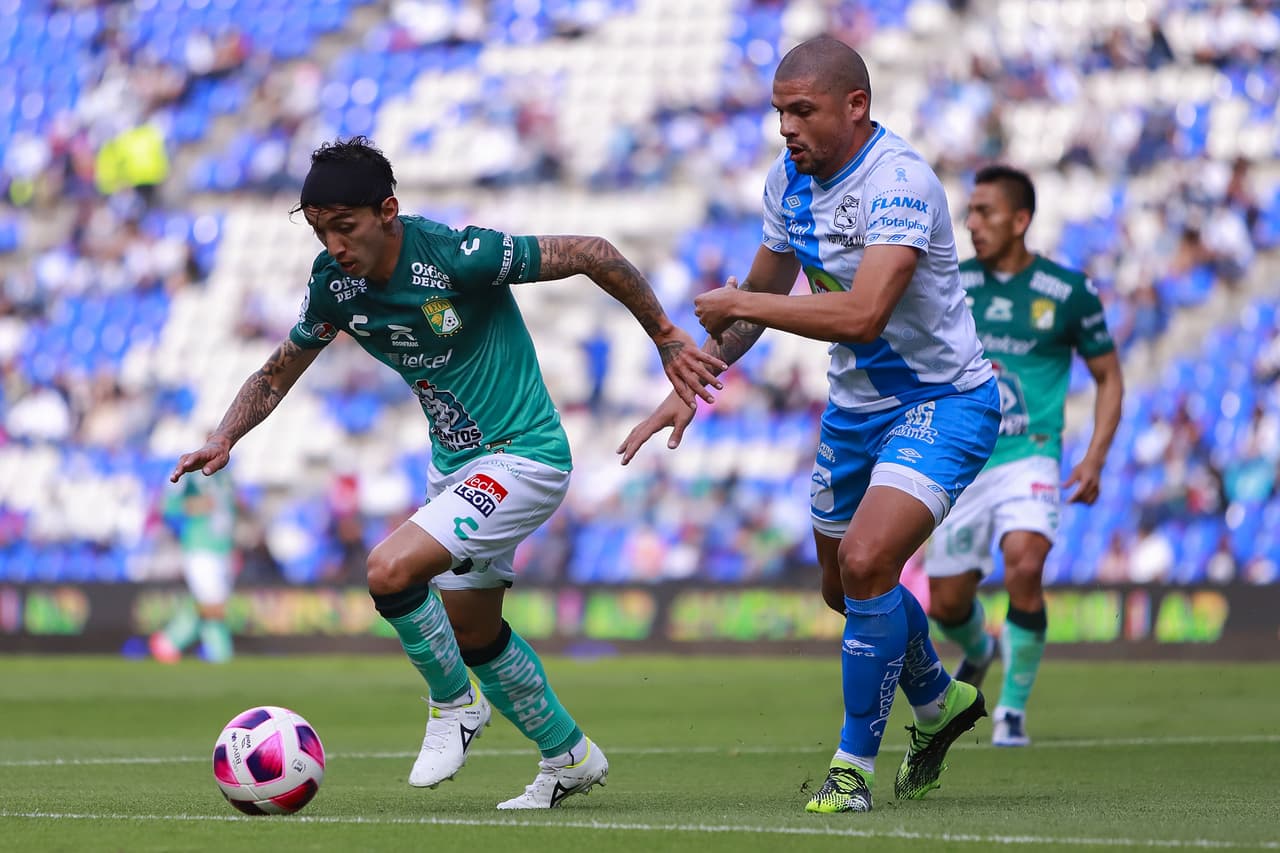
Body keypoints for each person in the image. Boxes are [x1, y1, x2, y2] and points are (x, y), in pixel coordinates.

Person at [170, 136, 725, 809]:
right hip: (457, 467)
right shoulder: (335, 286)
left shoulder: (460, 256)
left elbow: (593, 253)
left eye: (345, 227)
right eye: (321, 231)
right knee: (473, 631)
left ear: (388, 210)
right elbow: (278, 368)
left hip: (525, 454)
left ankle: (453, 705)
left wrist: (666, 335)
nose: (335, 244)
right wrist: (225, 435)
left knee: (389, 570)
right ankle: (568, 755)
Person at [619, 37, 1000, 814]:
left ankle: (851, 767)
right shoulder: (786, 182)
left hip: (946, 399)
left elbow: (862, 315)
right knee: (845, 588)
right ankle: (938, 699)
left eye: (803, 110)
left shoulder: (901, 182)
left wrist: (744, 303)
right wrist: (690, 382)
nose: (786, 128)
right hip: (857, 408)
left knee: (865, 562)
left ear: (854, 106)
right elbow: (757, 298)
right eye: (778, 112)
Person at [923, 165, 1123, 747]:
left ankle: (1010, 710)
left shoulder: (1068, 293)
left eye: (985, 212)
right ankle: (981, 649)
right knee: (947, 603)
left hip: (1031, 456)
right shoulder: (950, 286)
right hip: (961, 460)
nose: (973, 223)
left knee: (1026, 567)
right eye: (971, 212)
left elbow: (1109, 377)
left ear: (1021, 219)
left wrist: (1094, 458)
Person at [149, 466, 238, 663]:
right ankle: (219, 652)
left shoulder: (226, 476)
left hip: (223, 547)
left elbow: (230, 512)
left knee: (211, 602)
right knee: (212, 602)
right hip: (200, 547)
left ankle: (168, 641)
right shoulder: (191, 474)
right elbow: (167, 505)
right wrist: (196, 505)